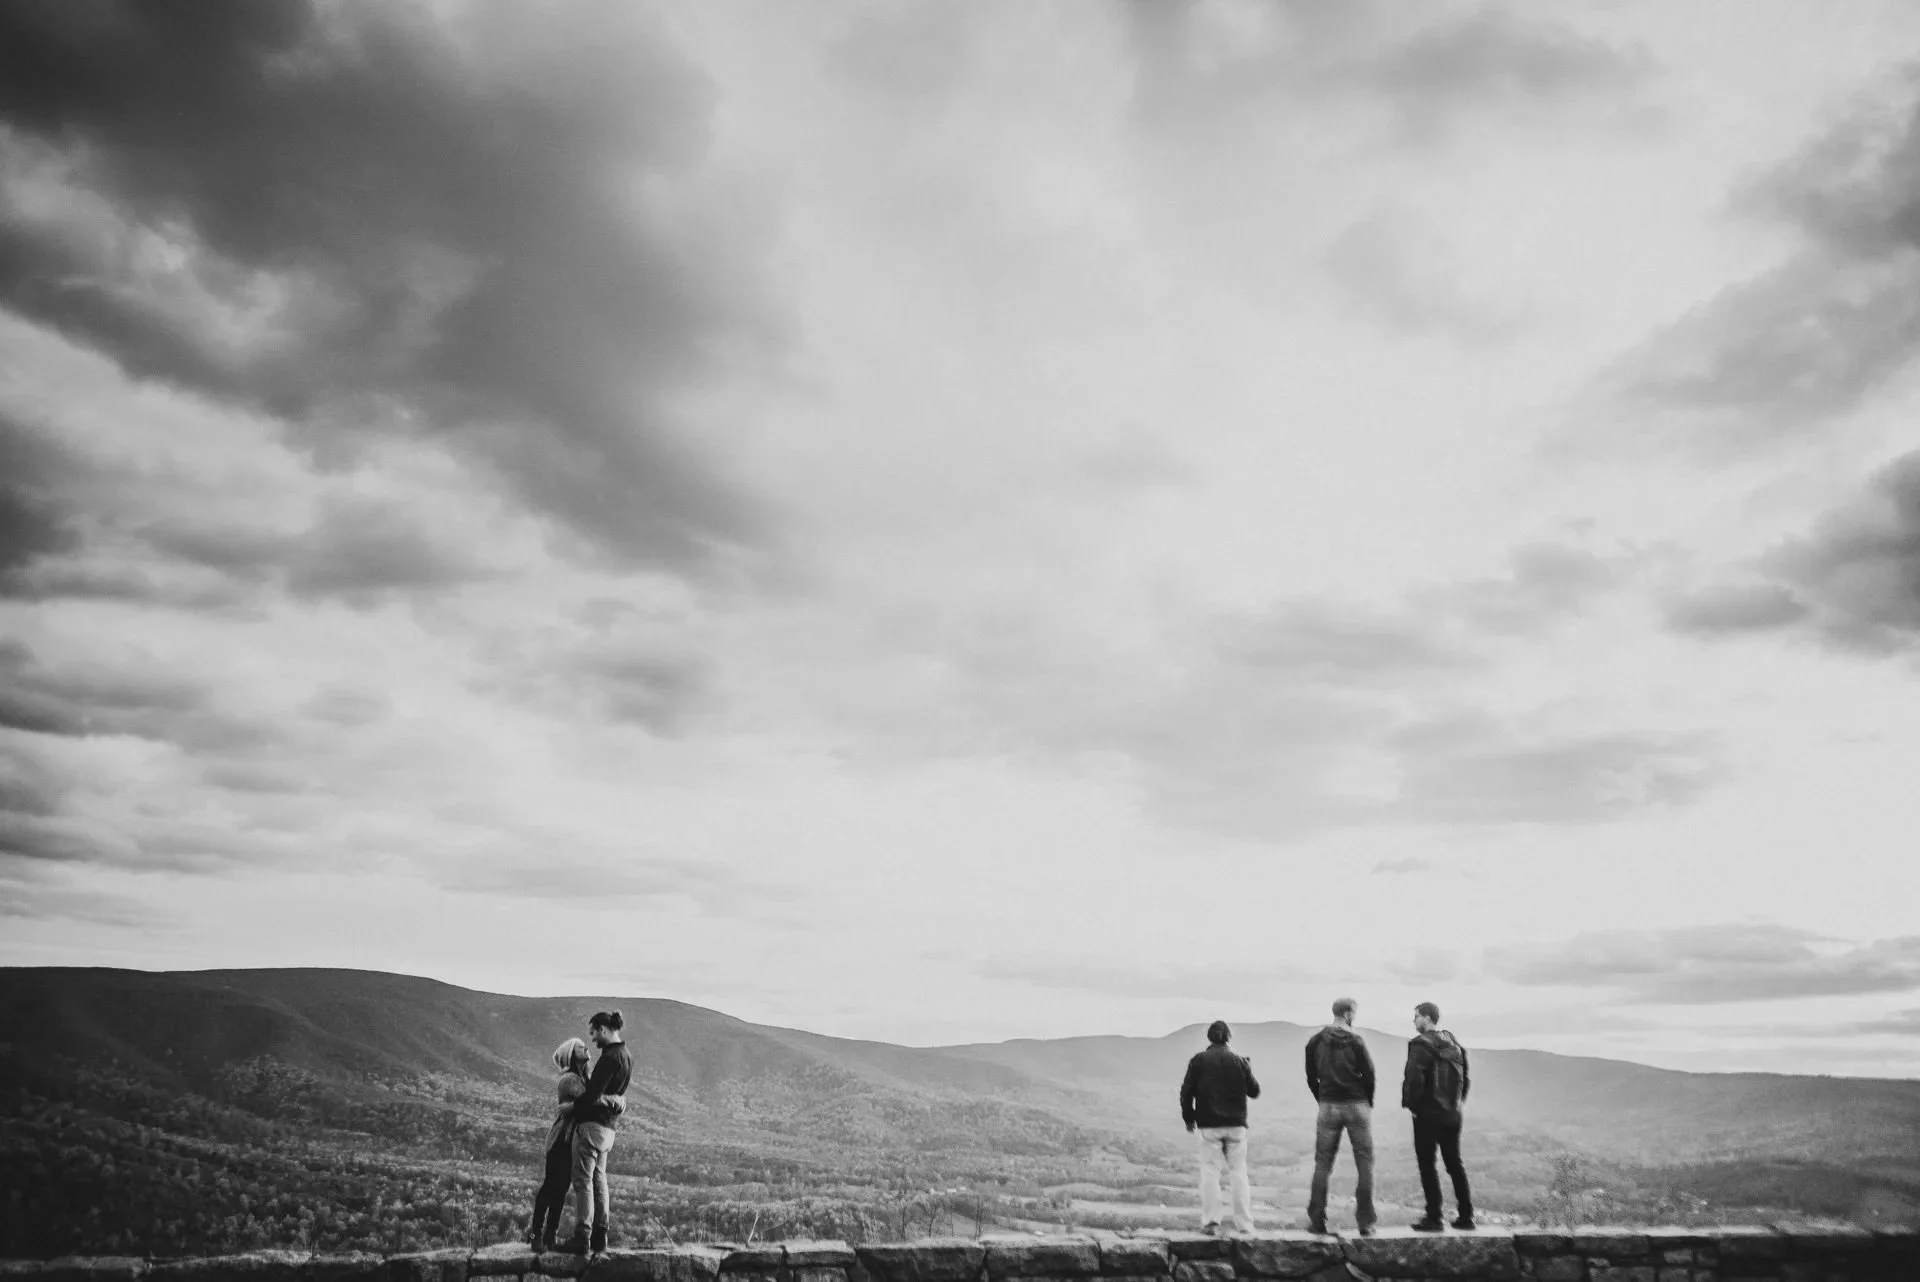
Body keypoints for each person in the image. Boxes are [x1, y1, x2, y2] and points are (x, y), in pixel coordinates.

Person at [1178, 1019, 1261, 1235]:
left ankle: (1211, 1222)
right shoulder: (1239, 1061)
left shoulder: (1198, 1061)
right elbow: (1254, 1091)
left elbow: (1186, 1092)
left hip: (1209, 1125)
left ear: (1209, 1037)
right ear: (1229, 1038)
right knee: (1238, 1172)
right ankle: (1245, 1224)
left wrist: (1189, 1118)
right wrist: (1247, 1068)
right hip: (1236, 1125)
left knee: (1210, 1172)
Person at [1303, 997, 1376, 1236]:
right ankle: (1365, 1222)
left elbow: (1310, 1076)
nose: (1355, 1016)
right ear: (1347, 1013)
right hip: (1356, 1104)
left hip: (1328, 1105)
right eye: (1354, 1012)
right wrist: (1367, 1101)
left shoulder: (1315, 1041)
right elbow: (1369, 1074)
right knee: (1364, 1162)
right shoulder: (1356, 1041)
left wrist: (1322, 1097)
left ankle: (1317, 1220)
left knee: (1322, 1163)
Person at [567, 1010, 634, 1256]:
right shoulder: (626, 1056)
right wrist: (615, 1100)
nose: (593, 1039)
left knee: (583, 1181)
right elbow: (616, 1097)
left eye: (593, 1033)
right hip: (609, 1129)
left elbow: (591, 1098)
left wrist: (572, 1106)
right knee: (599, 1180)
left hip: (592, 1127)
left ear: (604, 1029)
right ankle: (600, 1236)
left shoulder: (609, 1058)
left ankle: (582, 1236)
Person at [1402, 1001, 1473, 1232]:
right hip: (1452, 1113)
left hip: (1428, 1113)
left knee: (1427, 1164)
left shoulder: (1420, 1044)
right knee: (1454, 1163)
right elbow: (1466, 1076)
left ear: (1427, 1018)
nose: (1414, 1021)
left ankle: (1434, 1218)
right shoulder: (1453, 1042)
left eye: (1416, 1017)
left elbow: (1414, 1079)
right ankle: (1466, 1217)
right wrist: (1458, 1102)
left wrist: (1411, 1105)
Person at [527, 1037, 591, 1251]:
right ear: (572, 1055)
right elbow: (586, 1103)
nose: (586, 1047)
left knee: (560, 1190)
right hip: (560, 1141)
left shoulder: (583, 1078)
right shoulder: (570, 1080)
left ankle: (549, 1236)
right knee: (550, 1187)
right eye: (581, 1047)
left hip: (571, 1141)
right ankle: (537, 1234)